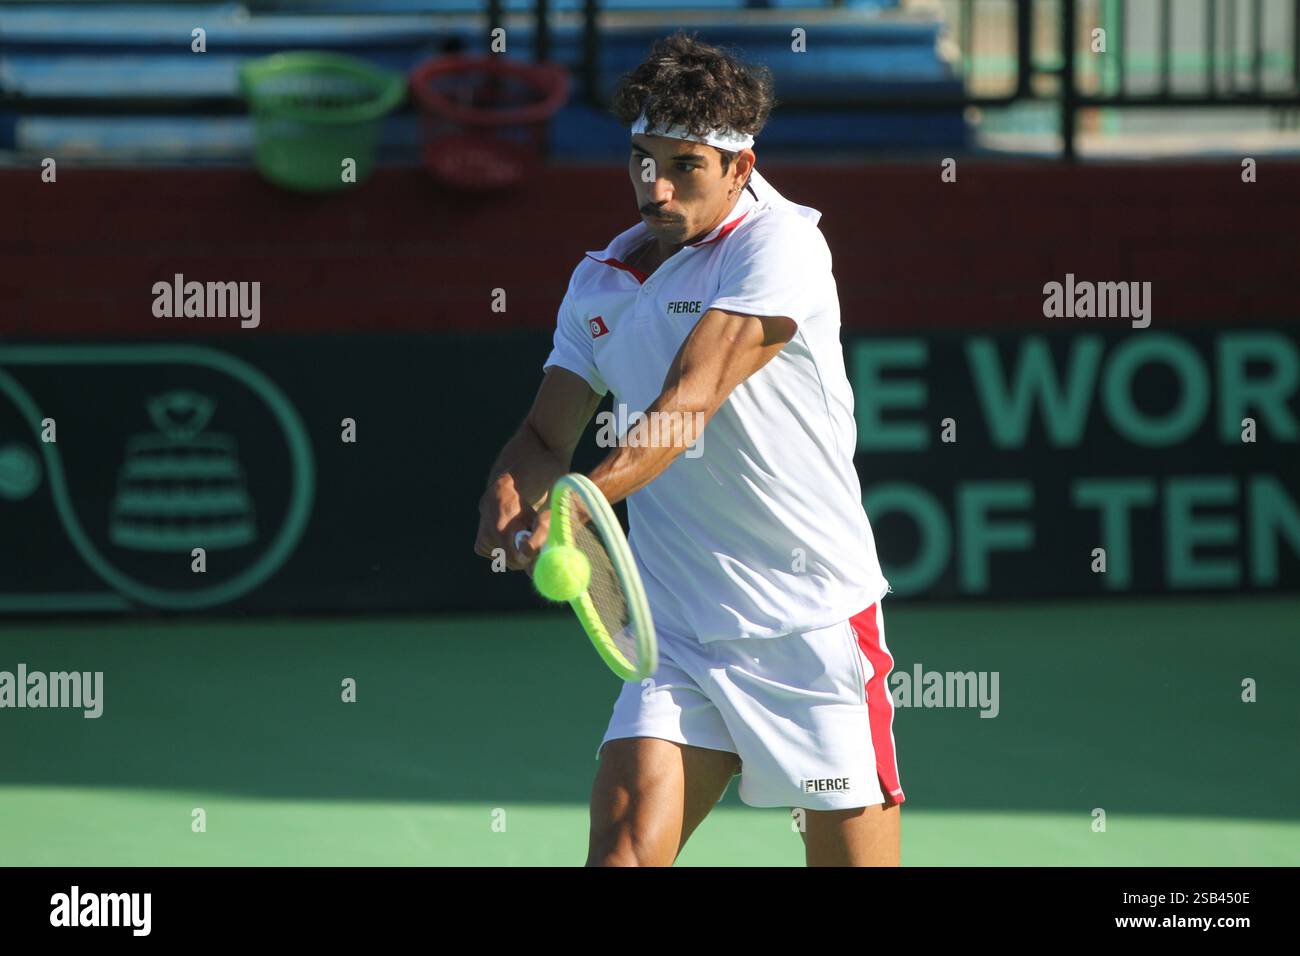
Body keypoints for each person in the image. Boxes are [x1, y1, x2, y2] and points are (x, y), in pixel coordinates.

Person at [474, 31, 902, 866]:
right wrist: (513, 489)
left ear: (740, 168)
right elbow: (543, 434)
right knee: (623, 853)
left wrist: (579, 507)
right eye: (642, 159)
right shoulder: (598, 281)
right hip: (672, 631)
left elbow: (686, 405)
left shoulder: (780, 246)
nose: (655, 186)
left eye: (685, 166)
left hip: (807, 621)